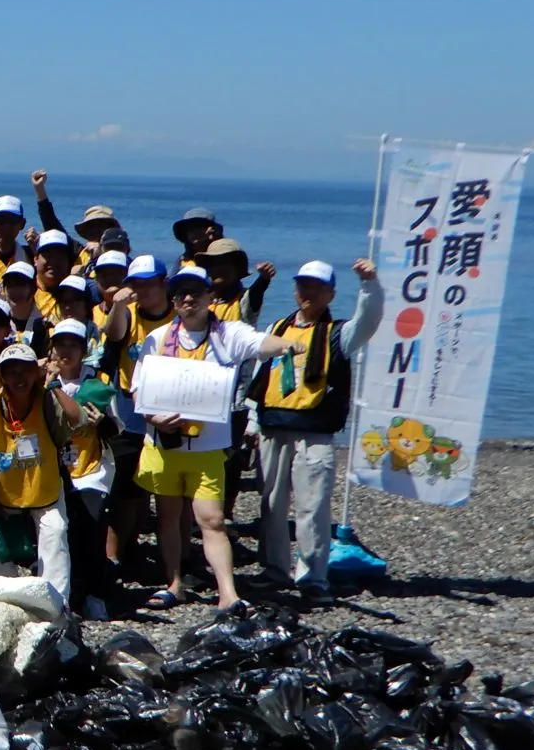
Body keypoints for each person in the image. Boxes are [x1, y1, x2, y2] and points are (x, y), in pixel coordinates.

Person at [136, 266, 305, 611]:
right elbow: (139, 390)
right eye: (180, 293)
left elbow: (260, 343)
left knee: (211, 519)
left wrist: (287, 344)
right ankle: (174, 583)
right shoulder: (157, 338)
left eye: (195, 292)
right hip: (163, 445)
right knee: (168, 518)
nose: (188, 299)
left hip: (208, 446)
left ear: (209, 297)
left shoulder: (229, 334)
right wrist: (155, 418)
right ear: (173, 300)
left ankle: (227, 592)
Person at [253, 259, 383, 603]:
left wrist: (369, 286)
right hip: (272, 427)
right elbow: (259, 376)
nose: (307, 293)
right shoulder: (278, 327)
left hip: (314, 432)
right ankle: (274, 570)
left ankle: (312, 576)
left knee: (313, 507)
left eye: (316, 287)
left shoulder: (339, 333)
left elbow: (369, 322)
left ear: (330, 293)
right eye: (302, 286)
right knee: (272, 504)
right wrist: (253, 422)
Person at [0, 341, 89, 603]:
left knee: (56, 534)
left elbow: (79, 420)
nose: (19, 378)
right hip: (5, 489)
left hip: (45, 487)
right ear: (1, 376)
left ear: (35, 372)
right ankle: (0, 604)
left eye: (25, 370)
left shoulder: (48, 400)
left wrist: (54, 385)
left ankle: (56, 606)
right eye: (11, 371)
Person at [100, 254, 175, 570]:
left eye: (150, 283)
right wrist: (118, 305)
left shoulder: (177, 317)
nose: (143, 290)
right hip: (129, 413)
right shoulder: (128, 315)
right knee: (125, 490)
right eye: (136, 284)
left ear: (163, 284)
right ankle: (114, 556)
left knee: (165, 493)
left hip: (171, 414)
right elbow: (113, 335)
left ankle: (173, 560)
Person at [49, 319, 118, 619]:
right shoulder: (38, 379)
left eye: (72, 345)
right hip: (53, 471)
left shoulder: (97, 382)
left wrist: (102, 423)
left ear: (82, 349)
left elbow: (114, 427)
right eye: (60, 344)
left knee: (91, 531)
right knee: (62, 534)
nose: (66, 351)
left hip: (91, 471)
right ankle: (68, 597)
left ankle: (95, 594)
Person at [200, 238, 272, 324]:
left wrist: (264, 278)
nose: (217, 268)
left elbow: (256, 291)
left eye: (224, 263)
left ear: (238, 270)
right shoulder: (201, 300)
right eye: (213, 263)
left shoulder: (244, 300)